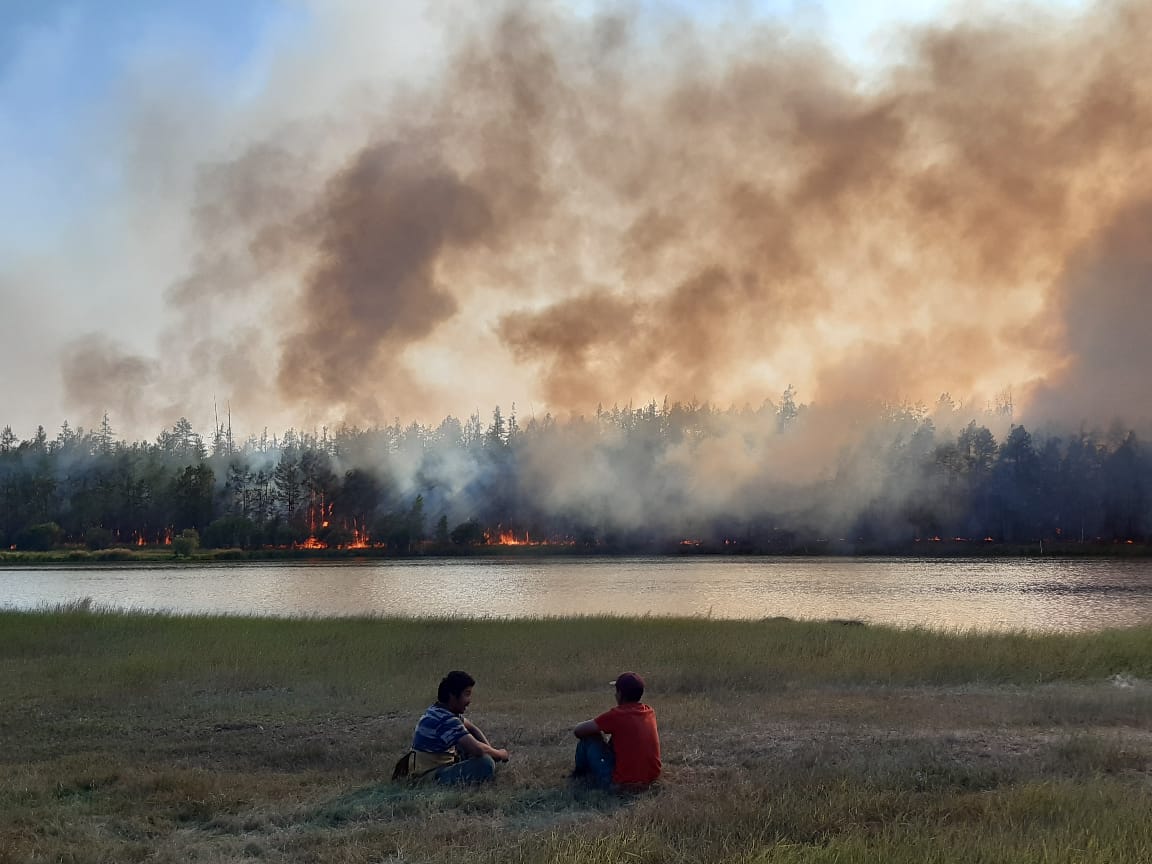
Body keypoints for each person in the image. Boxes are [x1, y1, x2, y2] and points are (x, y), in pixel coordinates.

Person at [407, 670, 509, 785]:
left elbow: (472, 728)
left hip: (429, 769)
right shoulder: (445, 719)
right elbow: (478, 749)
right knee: (485, 763)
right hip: (428, 777)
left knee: (466, 744)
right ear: (452, 695)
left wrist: (490, 751)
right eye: (467, 694)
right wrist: (500, 754)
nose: (469, 701)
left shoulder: (437, 711)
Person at [572, 671, 661, 790]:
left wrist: (597, 733)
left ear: (620, 694)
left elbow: (578, 731)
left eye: (616, 691)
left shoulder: (616, 715)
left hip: (621, 783)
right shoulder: (649, 712)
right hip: (651, 778)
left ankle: (580, 775)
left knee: (588, 740)